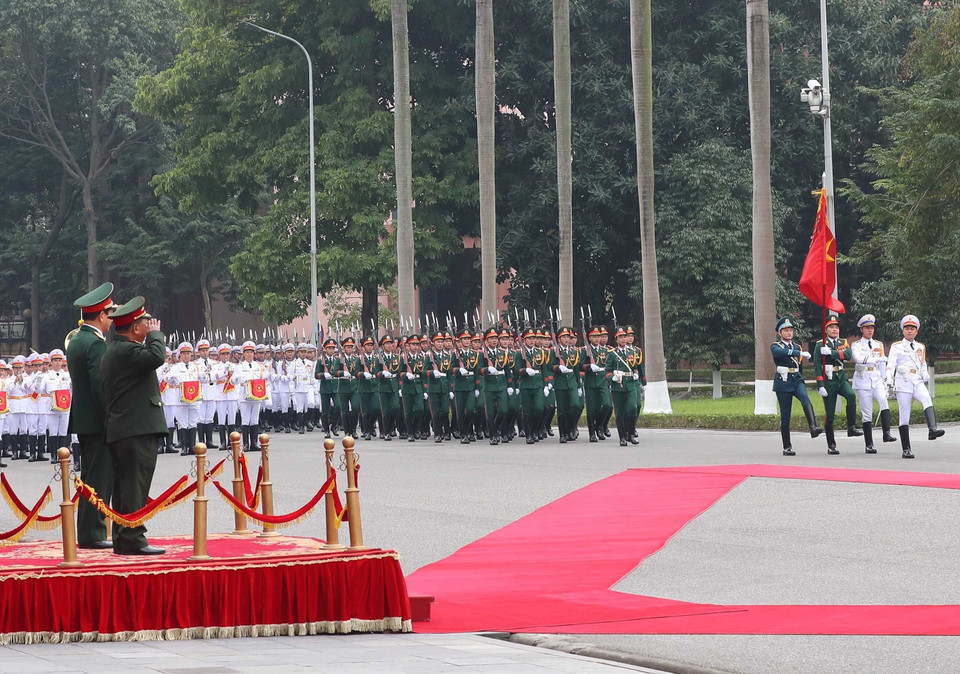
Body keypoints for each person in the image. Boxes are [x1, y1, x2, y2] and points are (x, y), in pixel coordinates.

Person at [99, 297, 167, 555]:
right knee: (133, 487)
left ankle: (124, 536)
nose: (149, 327)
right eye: (145, 324)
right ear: (135, 328)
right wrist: (157, 335)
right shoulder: (126, 350)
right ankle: (132, 537)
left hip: (126, 429)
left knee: (127, 486)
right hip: (133, 429)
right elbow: (156, 356)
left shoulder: (117, 349)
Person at [66, 282, 118, 550]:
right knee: (99, 478)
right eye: (110, 314)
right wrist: (112, 417)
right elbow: (101, 387)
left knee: (90, 476)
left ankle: (89, 532)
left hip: (85, 419)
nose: (111, 319)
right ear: (101, 316)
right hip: (98, 421)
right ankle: (93, 533)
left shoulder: (77, 339)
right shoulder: (96, 344)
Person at [886, 314, 945, 459]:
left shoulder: (920, 347)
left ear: (916, 331)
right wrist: (889, 378)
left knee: (926, 399)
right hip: (903, 382)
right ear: (903, 331)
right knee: (904, 416)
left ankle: (932, 429)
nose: (909, 331)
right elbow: (891, 364)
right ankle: (906, 449)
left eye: (912, 328)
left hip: (916, 381)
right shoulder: (897, 346)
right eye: (907, 328)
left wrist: (925, 374)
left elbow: (922, 363)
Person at [771, 316, 823, 456]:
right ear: (780, 333)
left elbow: (800, 367)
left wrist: (801, 378)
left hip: (796, 379)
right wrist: (798, 353)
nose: (789, 333)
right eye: (786, 330)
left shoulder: (797, 346)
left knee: (806, 399)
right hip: (783, 381)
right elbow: (779, 353)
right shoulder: (776, 346)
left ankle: (813, 427)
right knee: (785, 415)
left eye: (791, 330)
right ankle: (787, 446)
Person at [813, 315, 863, 454]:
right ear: (826, 329)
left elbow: (847, 355)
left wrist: (832, 353)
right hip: (828, 381)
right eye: (831, 327)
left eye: (836, 327)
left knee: (851, 395)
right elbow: (817, 366)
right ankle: (831, 445)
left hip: (841, 377)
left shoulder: (843, 342)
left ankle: (851, 427)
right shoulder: (819, 344)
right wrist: (820, 385)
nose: (834, 330)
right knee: (830, 415)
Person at [850, 314, 896, 453]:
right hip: (863, 379)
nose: (870, 330)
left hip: (876, 379)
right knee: (867, 413)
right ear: (862, 329)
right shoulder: (856, 344)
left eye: (871, 328)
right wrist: (874, 359)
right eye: (867, 328)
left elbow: (882, 364)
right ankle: (869, 444)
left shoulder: (878, 345)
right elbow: (858, 359)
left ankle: (886, 433)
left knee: (884, 402)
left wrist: (886, 378)